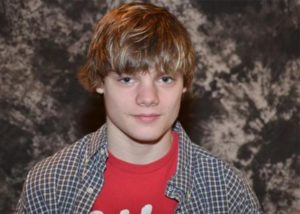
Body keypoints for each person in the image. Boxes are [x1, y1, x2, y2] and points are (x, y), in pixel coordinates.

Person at [16, 2, 263, 214]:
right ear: (100, 82)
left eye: (165, 79)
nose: (148, 98)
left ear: (184, 84)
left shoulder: (226, 189)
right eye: (127, 79)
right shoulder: (49, 184)